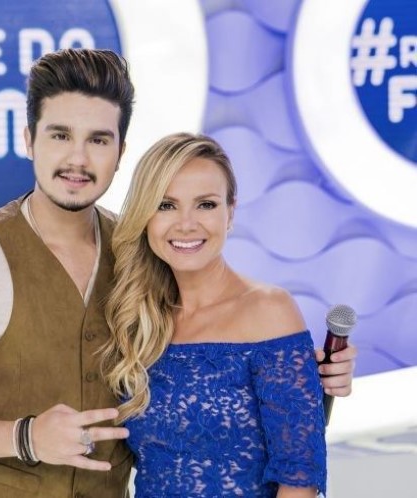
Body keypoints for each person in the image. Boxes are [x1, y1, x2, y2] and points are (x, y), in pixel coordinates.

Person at [0, 49, 355, 497]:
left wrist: (309, 375)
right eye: (60, 135)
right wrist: (24, 437)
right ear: (29, 139)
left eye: (98, 140)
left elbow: (226, 370)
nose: (78, 159)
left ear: (120, 151)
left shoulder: (141, 251)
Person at [103, 132, 329, 498]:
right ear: (146, 217)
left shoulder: (269, 311)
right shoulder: (138, 320)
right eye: (166, 205)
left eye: (205, 205)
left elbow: (299, 480)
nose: (186, 224)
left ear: (230, 213)